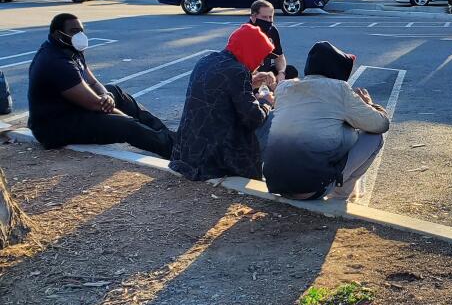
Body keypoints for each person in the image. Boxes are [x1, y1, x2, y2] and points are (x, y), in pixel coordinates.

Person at [27, 13, 173, 158]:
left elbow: (93, 82)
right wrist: (127, 119)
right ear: (58, 34)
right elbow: (94, 105)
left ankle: (168, 136)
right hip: (54, 128)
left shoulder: (69, 49)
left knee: (114, 91)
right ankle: (173, 149)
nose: (79, 35)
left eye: (81, 31)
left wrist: (106, 95)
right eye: (73, 31)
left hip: (70, 109)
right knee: (124, 125)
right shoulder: (55, 62)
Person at [262, 41, 390, 201]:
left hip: (275, 183)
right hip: (311, 188)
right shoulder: (340, 89)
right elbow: (381, 124)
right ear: (336, 70)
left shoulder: (284, 87)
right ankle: (340, 196)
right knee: (374, 137)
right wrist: (369, 104)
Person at [169, 24, 277, 181]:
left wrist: (250, 84)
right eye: (261, 55)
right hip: (215, 159)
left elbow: (220, 95)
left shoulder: (206, 60)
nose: (261, 62)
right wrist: (267, 102)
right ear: (250, 50)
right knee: (272, 118)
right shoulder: (238, 71)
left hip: (188, 151)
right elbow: (253, 119)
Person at [247, 0, 290, 79]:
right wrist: (265, 80)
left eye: (270, 17)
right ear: (253, 16)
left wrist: (281, 73)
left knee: (291, 71)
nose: (268, 20)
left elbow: (279, 56)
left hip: (266, 70)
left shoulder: (272, 30)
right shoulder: (246, 32)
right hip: (250, 73)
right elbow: (242, 65)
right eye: (264, 17)